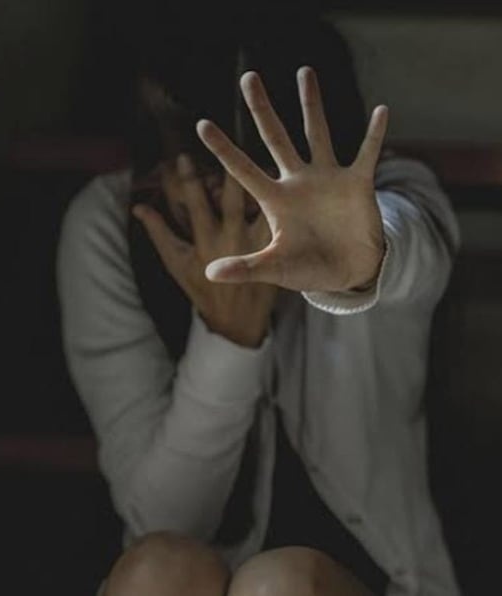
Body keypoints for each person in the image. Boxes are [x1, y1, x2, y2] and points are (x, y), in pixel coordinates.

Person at [56, 12, 461, 596]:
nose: (203, 183)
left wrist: (361, 260)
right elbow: (161, 519)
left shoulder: (379, 198)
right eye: (170, 143)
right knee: (155, 570)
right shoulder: (113, 224)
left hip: (371, 578)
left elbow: (410, 244)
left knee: (281, 584)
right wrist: (229, 337)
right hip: (184, 567)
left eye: (238, 156)